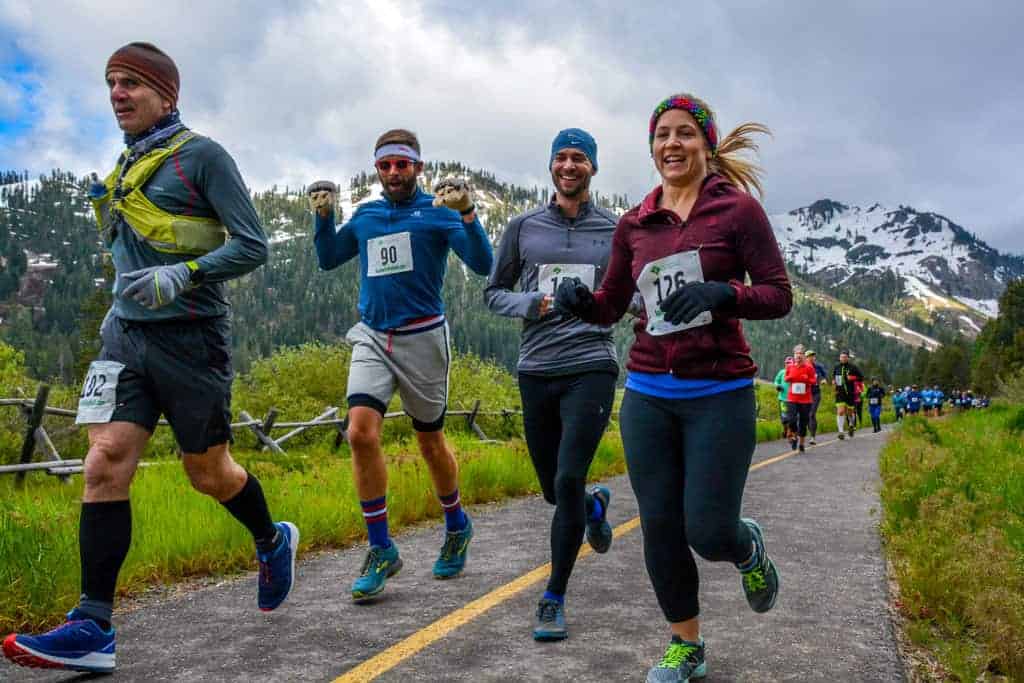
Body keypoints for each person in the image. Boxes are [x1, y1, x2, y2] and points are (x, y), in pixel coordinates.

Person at [3, 43, 293, 675]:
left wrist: (184, 275)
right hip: (125, 340)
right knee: (103, 461)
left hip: (193, 340)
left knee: (208, 474)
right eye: (110, 83)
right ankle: (93, 626)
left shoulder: (203, 157)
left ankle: (271, 539)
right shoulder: (126, 165)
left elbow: (253, 246)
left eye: (131, 82)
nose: (117, 94)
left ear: (166, 93)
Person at [555, 93, 790, 682]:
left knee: (707, 530)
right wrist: (583, 304)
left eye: (685, 133)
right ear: (652, 147)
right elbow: (610, 304)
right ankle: (687, 645)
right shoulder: (635, 223)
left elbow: (777, 294)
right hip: (649, 392)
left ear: (706, 145)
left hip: (719, 392)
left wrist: (724, 294)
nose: (672, 144)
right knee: (660, 527)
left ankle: (746, 548)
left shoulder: (737, 214)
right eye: (662, 135)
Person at [309, 129, 493, 602]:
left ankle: (456, 525)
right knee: (360, 433)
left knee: (430, 442)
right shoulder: (367, 215)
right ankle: (381, 548)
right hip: (372, 335)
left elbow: (482, 262)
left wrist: (467, 212)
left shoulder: (437, 212)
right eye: (386, 165)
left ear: (418, 168)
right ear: (377, 169)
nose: (394, 173)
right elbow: (330, 259)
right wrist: (324, 218)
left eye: (403, 165)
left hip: (424, 339)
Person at [484, 128, 620, 641]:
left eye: (579, 158)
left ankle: (553, 596)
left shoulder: (614, 229)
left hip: (591, 363)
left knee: (567, 479)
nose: (569, 165)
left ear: (593, 168)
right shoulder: (522, 227)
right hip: (536, 368)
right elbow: (493, 293)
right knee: (552, 489)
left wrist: (609, 307)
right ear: (550, 166)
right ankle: (593, 506)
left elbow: (626, 295)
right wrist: (529, 304)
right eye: (561, 157)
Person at [784, 345, 816, 452]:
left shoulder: (809, 367)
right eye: (796, 354)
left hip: (805, 400)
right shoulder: (789, 366)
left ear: (804, 356)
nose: (798, 356)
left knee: (803, 421)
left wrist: (807, 379)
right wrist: (790, 378)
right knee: (791, 420)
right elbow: (786, 378)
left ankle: (801, 443)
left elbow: (814, 381)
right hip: (792, 398)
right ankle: (794, 436)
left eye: (801, 354)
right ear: (794, 355)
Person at [831, 351, 863, 440]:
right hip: (839, 392)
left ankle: (851, 425)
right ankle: (841, 432)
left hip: (850, 393)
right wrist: (833, 384)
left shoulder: (853, 367)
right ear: (839, 358)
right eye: (841, 357)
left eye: (845, 357)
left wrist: (853, 378)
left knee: (850, 412)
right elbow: (833, 377)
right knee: (840, 411)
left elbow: (861, 377)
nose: (843, 359)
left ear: (848, 358)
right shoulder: (836, 367)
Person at [806, 349, 828, 444]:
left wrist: (823, 380)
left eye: (813, 356)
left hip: (815, 393)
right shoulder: (803, 366)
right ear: (806, 358)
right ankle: (806, 432)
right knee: (805, 416)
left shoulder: (819, 366)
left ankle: (812, 437)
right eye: (809, 356)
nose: (811, 358)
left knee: (812, 414)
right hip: (805, 394)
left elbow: (824, 375)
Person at [773, 358, 794, 443]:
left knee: (791, 416)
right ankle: (785, 429)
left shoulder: (795, 372)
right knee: (784, 417)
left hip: (793, 399)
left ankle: (789, 432)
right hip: (782, 398)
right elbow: (776, 381)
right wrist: (778, 386)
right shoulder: (781, 372)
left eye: (790, 363)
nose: (788, 364)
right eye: (786, 363)